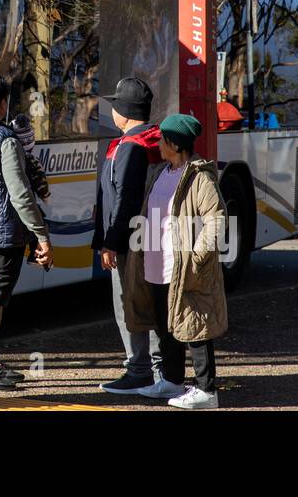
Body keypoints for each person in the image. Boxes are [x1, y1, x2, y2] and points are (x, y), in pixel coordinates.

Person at [123, 113, 229, 409]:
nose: (157, 144)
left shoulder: (199, 176)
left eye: (162, 140)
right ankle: (171, 381)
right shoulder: (160, 172)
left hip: (185, 267)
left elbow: (217, 220)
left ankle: (208, 391)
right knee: (165, 325)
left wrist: (197, 257)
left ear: (175, 143)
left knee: (195, 327)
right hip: (157, 265)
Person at [0, 73, 52, 392]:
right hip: (2, 234)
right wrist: (40, 234)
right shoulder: (5, 138)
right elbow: (20, 192)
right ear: (3, 105)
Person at [92, 76, 165, 395]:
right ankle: (162, 368)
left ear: (124, 110)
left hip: (130, 242)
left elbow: (124, 198)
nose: (111, 112)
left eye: (114, 106)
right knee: (150, 301)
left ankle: (139, 370)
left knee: (128, 304)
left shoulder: (130, 147)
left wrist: (110, 241)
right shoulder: (156, 140)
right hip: (151, 237)